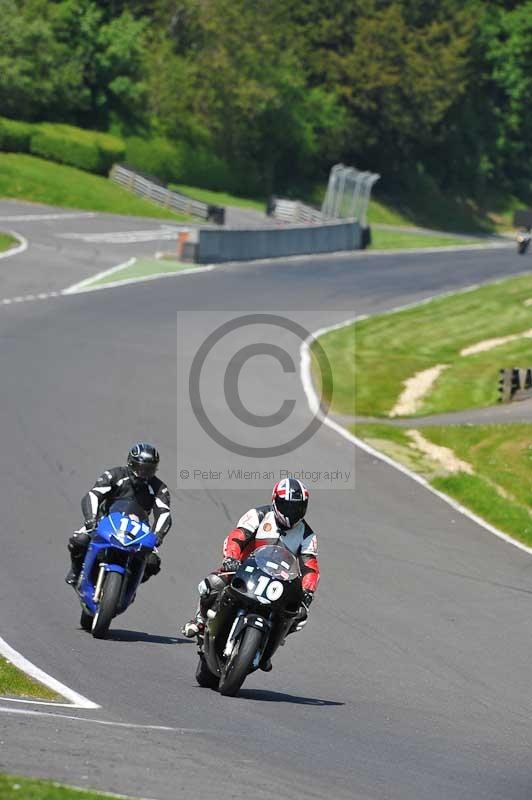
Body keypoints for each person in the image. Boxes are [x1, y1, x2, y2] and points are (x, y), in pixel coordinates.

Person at [182, 477, 319, 669]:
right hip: (245, 570)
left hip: (277, 583)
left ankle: (269, 646)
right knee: (212, 583)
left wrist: (308, 590)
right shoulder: (259, 515)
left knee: (300, 613)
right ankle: (201, 620)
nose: (291, 512)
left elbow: (309, 566)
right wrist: (231, 558)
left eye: (297, 507)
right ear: (275, 501)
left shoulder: (307, 535)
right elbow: (237, 537)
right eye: (286, 506)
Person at [65, 443, 172, 586]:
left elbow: (164, 513)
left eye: (149, 470)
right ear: (131, 463)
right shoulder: (115, 475)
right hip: (105, 522)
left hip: (138, 531)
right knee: (79, 540)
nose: (144, 474)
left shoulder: (160, 488)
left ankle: (130, 585)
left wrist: (158, 535)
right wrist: (91, 518)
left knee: (152, 563)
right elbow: (93, 495)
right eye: (140, 468)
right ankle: (76, 570)